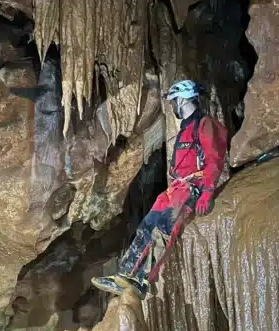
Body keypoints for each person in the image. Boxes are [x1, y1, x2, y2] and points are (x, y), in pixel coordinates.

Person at [92, 79, 228, 298]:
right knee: (146, 224)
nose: (173, 106)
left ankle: (142, 279)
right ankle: (124, 275)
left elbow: (214, 158)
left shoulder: (205, 124)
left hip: (192, 187)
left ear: (183, 98)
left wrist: (207, 192)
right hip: (176, 188)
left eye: (174, 101)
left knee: (163, 228)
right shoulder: (186, 129)